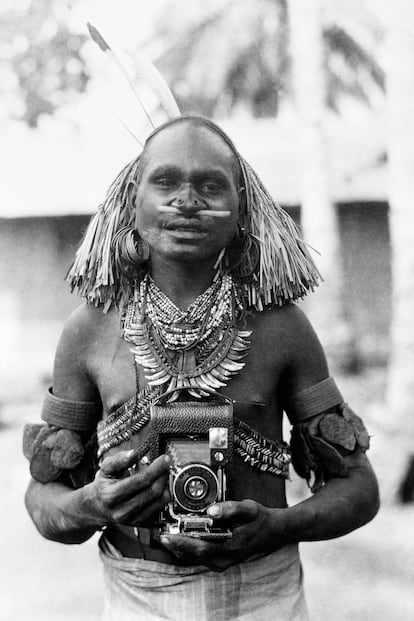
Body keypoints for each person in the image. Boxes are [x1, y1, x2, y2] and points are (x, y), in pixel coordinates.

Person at [24, 115, 379, 621]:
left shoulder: (281, 327)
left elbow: (360, 489)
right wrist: (94, 505)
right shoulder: (90, 329)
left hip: (267, 598)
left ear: (241, 206)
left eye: (210, 186)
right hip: (136, 600)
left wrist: (278, 526)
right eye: (165, 182)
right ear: (132, 200)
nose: (186, 201)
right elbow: (43, 499)